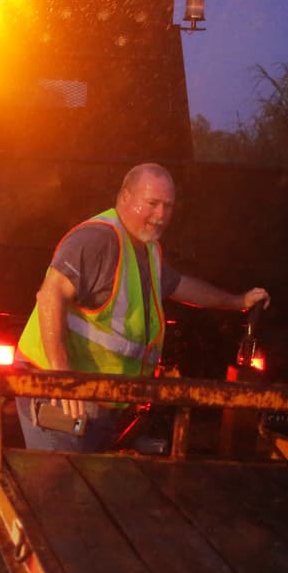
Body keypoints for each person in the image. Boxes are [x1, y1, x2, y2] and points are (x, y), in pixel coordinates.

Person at [15, 163, 270, 452]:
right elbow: (50, 295)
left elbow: (179, 285)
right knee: (59, 491)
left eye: (168, 206)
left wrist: (238, 301)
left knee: (81, 489)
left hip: (95, 402)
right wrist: (61, 379)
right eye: (151, 204)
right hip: (56, 396)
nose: (160, 215)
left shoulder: (146, 248)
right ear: (125, 197)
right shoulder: (98, 239)